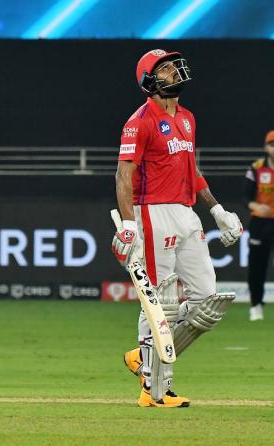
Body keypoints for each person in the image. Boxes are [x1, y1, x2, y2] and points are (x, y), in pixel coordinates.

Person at [113, 49, 243, 407]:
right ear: (149, 81)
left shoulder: (187, 118)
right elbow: (123, 175)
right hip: (152, 212)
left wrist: (217, 210)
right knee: (161, 301)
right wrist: (128, 224)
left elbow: (191, 171)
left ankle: (143, 356)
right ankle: (155, 390)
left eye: (173, 66)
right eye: (166, 68)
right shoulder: (139, 121)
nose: (175, 72)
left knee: (207, 302)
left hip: (187, 213)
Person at [244, 130, 274, 321]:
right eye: (272, 144)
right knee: (257, 267)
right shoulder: (256, 168)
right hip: (260, 223)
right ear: (266, 147)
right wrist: (256, 205)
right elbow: (246, 197)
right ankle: (256, 305)